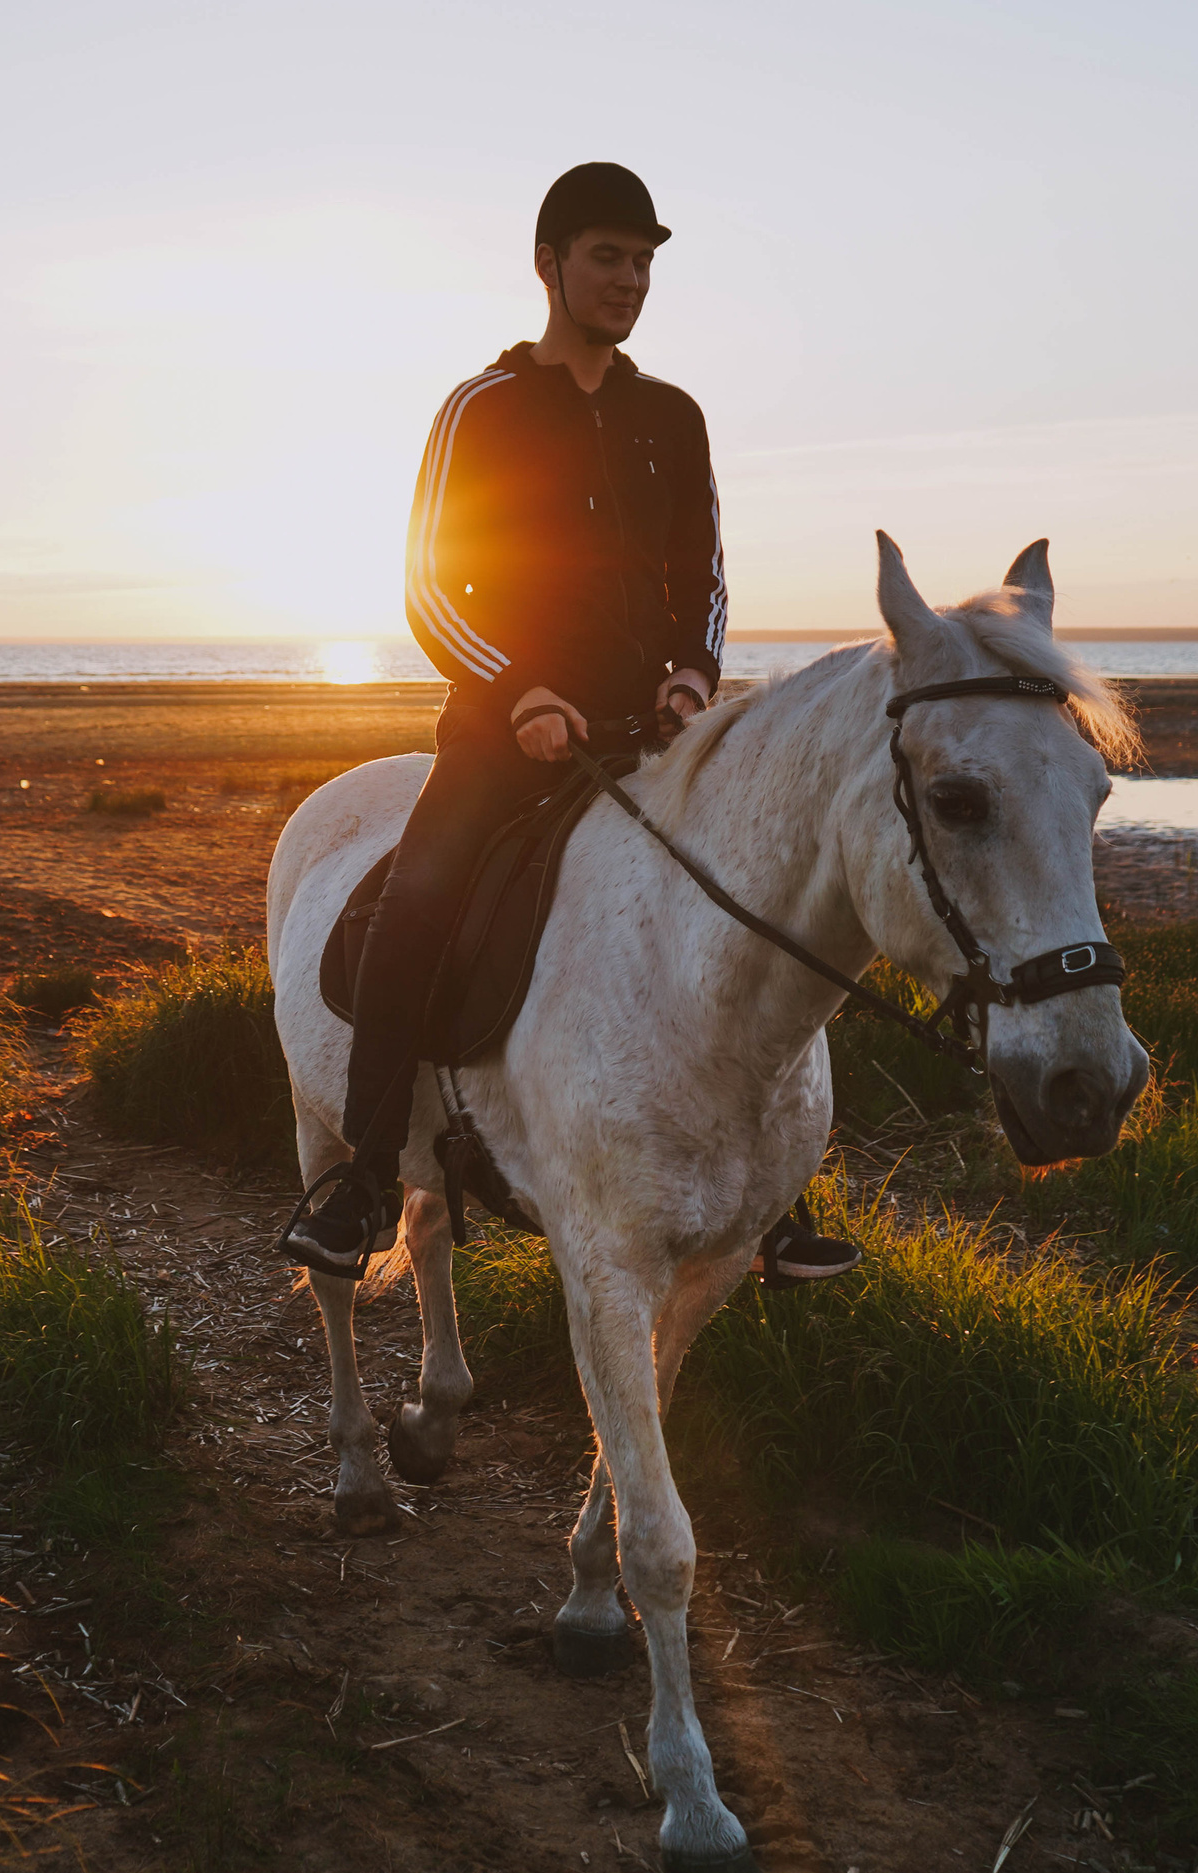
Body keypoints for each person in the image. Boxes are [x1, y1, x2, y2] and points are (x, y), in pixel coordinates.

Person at [280, 163, 859, 1289]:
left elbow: (705, 578)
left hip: (656, 732)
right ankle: (358, 1182)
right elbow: (431, 584)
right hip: (507, 731)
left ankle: (782, 1187)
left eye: (643, 261)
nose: (629, 280)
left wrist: (693, 676)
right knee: (418, 900)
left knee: (773, 901)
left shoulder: (672, 417)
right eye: (607, 256)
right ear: (548, 264)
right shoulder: (479, 409)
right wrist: (519, 690)